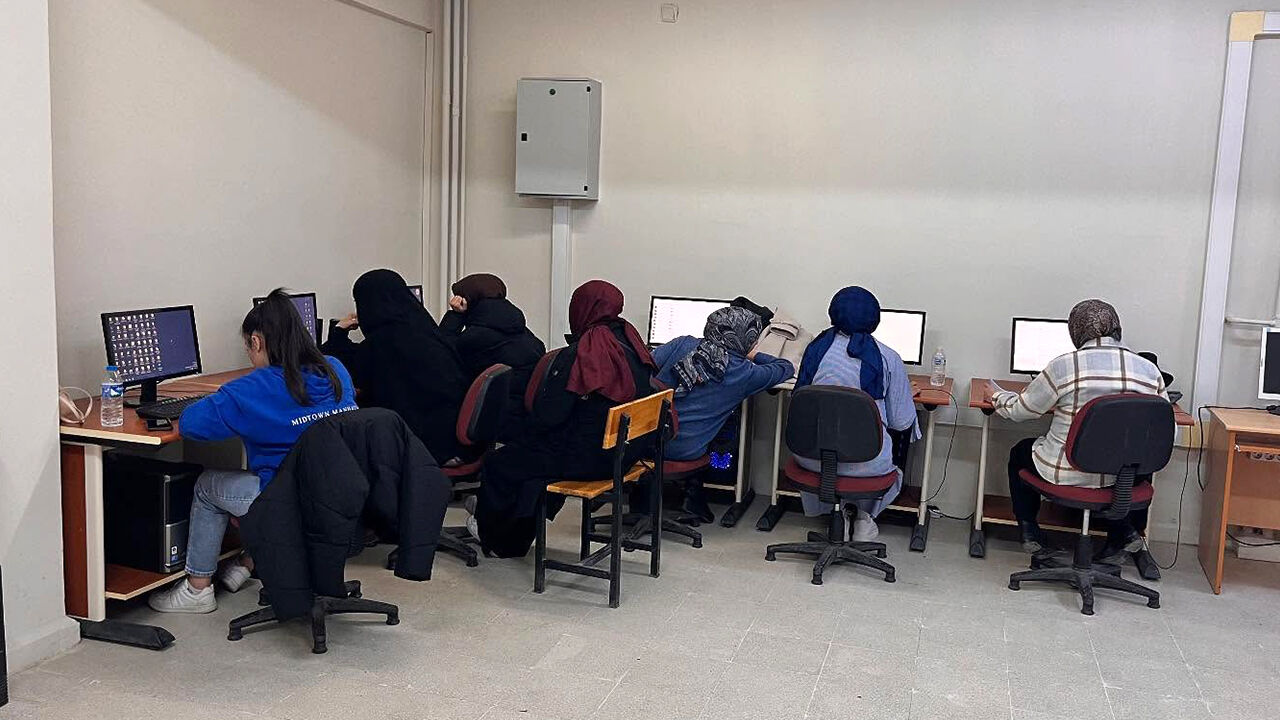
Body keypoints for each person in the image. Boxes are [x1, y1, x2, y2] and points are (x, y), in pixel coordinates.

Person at [149, 290, 358, 613]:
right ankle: (246, 563)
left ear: (257, 342)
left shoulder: (251, 389)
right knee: (264, 472)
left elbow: (190, 425)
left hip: (289, 500)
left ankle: (197, 589)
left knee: (207, 486)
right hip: (344, 493)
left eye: (248, 347)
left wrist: (220, 397)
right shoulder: (335, 369)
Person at [471, 280, 659, 558]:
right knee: (530, 468)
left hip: (591, 459)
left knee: (500, 462)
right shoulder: (631, 343)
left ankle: (495, 539)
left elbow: (549, 416)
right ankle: (514, 538)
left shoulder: (583, 353)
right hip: (624, 455)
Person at [988, 299, 1169, 560]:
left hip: (1066, 473)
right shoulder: (1149, 371)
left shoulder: (1064, 366)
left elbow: (1020, 411)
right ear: (1118, 330)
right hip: (1123, 479)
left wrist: (996, 396)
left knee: (1020, 452)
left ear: (1075, 333)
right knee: (1135, 457)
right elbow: (1166, 435)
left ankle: (1030, 532)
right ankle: (1124, 532)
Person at [793, 287, 919, 542]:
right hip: (867, 465)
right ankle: (863, 517)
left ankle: (840, 514)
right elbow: (901, 422)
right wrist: (904, 392)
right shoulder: (888, 358)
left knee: (840, 443)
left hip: (810, 458)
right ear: (875, 318)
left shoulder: (815, 351)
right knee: (891, 441)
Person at [653, 306, 794, 521]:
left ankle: (648, 498)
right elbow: (785, 367)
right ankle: (693, 499)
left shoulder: (682, 344)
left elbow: (644, 364)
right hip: (683, 450)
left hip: (641, 439)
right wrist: (752, 355)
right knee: (725, 430)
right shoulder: (744, 373)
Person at [322, 269, 468, 463]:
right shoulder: (428, 332)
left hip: (423, 448)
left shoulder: (381, 345)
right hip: (453, 441)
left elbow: (347, 368)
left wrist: (339, 332)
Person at [439, 273, 546, 440]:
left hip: (498, 423)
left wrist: (456, 315)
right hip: (524, 419)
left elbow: (441, 355)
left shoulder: (474, 339)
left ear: (469, 302)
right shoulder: (521, 330)